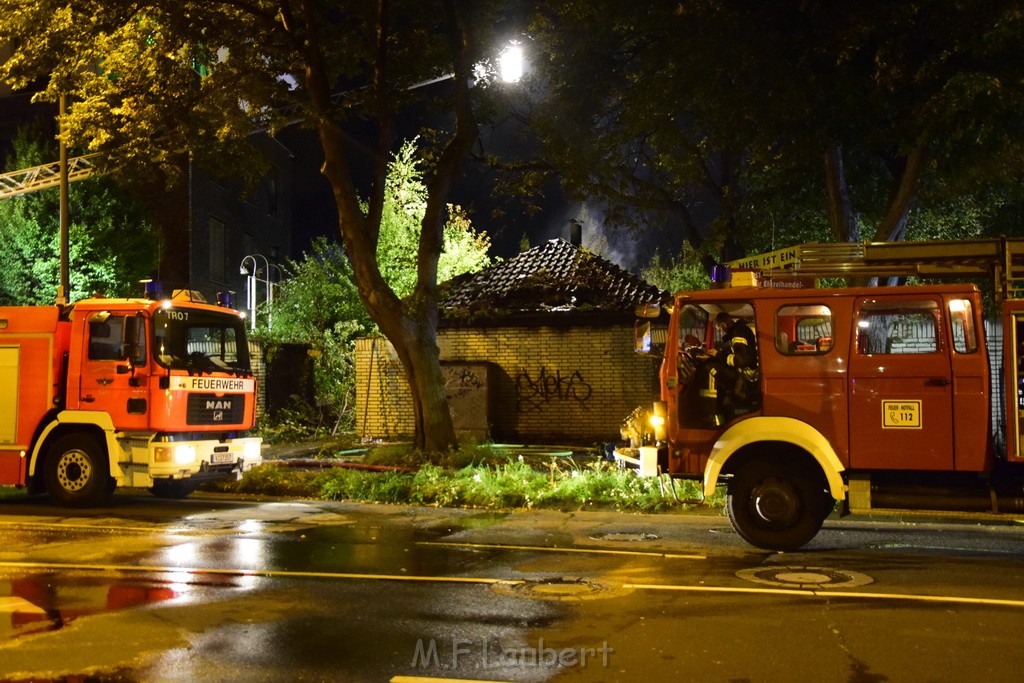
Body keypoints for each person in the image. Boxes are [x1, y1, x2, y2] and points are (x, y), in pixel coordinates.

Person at [695, 311, 758, 426]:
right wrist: (717, 355)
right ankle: (720, 409)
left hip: (746, 376)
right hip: (743, 373)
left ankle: (708, 414)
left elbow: (741, 360)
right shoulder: (738, 331)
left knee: (710, 370)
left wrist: (718, 355)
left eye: (719, 329)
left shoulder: (738, 334)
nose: (720, 331)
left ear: (724, 325)